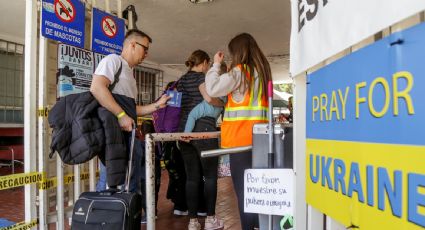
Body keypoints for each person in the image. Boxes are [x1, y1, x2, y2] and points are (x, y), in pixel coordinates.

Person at [206, 33, 272, 230]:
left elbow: (212, 89)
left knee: (245, 194)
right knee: (259, 192)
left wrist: (216, 65)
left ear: (238, 52)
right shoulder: (264, 72)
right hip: (262, 142)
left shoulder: (240, 72)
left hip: (240, 143)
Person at [90, 29, 169, 193]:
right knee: (110, 184)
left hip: (127, 138)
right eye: (145, 49)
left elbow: (132, 110)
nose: (146, 54)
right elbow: (97, 87)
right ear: (133, 44)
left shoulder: (130, 75)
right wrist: (121, 115)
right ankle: (106, 218)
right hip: (113, 139)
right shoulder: (113, 61)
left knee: (127, 184)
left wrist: (156, 105)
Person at [177, 50, 225, 230]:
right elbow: (208, 98)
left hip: (184, 131)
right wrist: (222, 103)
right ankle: (211, 220)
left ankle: (193, 221)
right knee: (210, 176)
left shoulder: (181, 80)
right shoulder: (200, 78)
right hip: (204, 129)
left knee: (192, 178)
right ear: (205, 63)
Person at [184, 63, 227, 133]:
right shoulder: (226, 88)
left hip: (207, 107)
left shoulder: (210, 81)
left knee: (192, 115)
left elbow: (208, 97)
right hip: (217, 112)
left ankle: (186, 136)